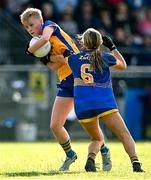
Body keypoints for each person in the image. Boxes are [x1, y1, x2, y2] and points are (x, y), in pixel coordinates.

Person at [20, 8, 112, 171]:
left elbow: (55, 47)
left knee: (88, 121)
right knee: (55, 125)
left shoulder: (49, 26)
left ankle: (104, 151)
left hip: (78, 77)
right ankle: (70, 155)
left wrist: (30, 50)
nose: (30, 29)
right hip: (65, 81)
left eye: (32, 25)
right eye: (27, 28)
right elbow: (55, 66)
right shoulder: (40, 47)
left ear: (41, 21)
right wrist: (48, 56)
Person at [53, 28, 144, 172]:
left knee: (97, 139)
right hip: (104, 104)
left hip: (83, 107)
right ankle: (136, 163)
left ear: (83, 42)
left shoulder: (73, 59)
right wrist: (113, 47)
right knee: (124, 134)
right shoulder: (106, 56)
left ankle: (91, 159)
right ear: (100, 42)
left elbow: (59, 62)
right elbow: (123, 66)